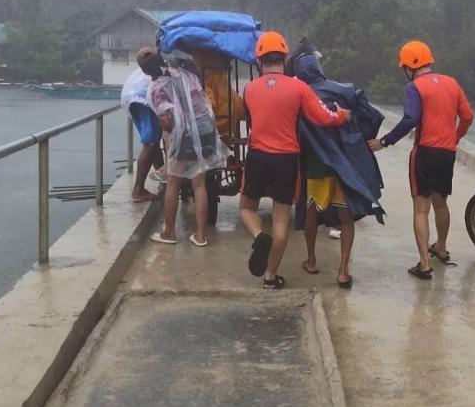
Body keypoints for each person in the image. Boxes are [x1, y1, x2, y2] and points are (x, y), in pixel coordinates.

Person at [240, 32, 350, 290]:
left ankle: (258, 236)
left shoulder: (249, 89)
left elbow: (251, 119)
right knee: (280, 220)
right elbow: (324, 118)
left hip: (257, 156)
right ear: (285, 58)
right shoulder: (299, 87)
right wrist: (341, 115)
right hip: (286, 160)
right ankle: (270, 276)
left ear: (259, 60)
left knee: (247, 208)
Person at [369, 40, 473, 280]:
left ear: (409, 66)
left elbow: (410, 119)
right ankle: (442, 248)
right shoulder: (452, 83)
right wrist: (454, 137)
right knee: (441, 203)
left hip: (424, 152)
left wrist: (384, 142)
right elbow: (467, 116)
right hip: (447, 153)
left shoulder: (414, 87)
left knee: (421, 209)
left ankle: (425, 264)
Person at [289, 40, 385, 289]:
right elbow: (370, 116)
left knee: (311, 212)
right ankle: (343, 270)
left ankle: (311, 260)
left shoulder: (299, 96)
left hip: (316, 165)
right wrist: (359, 139)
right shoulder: (344, 90)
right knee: (346, 217)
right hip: (345, 166)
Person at [143, 47, 227, 247]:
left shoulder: (157, 87)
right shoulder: (188, 75)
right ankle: (200, 236)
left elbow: (167, 120)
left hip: (185, 134)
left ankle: (169, 233)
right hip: (206, 130)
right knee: (199, 184)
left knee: (173, 183)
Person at [122, 51, 164, 202]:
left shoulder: (143, 71)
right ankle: (138, 189)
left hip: (134, 98)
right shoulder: (156, 72)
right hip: (142, 100)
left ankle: (163, 182)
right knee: (151, 143)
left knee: (155, 141)